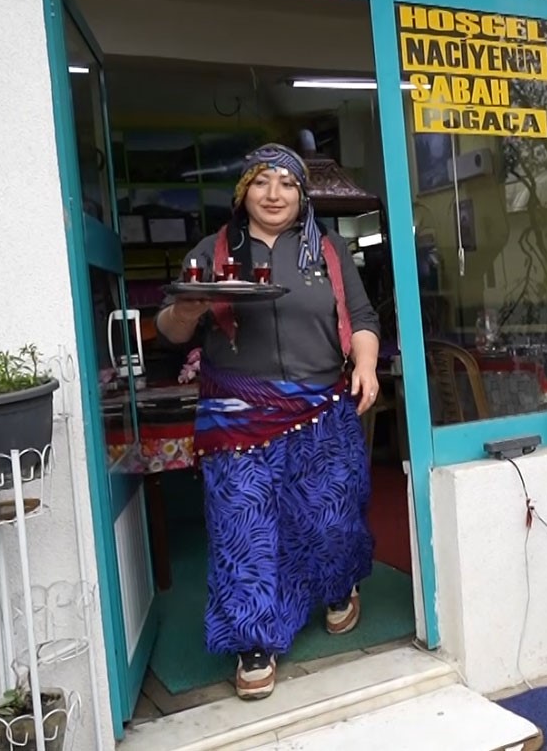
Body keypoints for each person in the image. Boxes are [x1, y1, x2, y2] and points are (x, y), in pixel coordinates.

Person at [155, 143, 381, 700]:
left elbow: (364, 317)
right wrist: (186, 310)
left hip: (321, 408)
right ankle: (253, 641)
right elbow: (170, 329)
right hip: (237, 412)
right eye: (261, 182)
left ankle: (336, 588)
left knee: (328, 518)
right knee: (244, 526)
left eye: (286, 183)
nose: (274, 194)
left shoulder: (326, 250)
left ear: (302, 193)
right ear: (243, 193)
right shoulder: (212, 250)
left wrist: (368, 364)